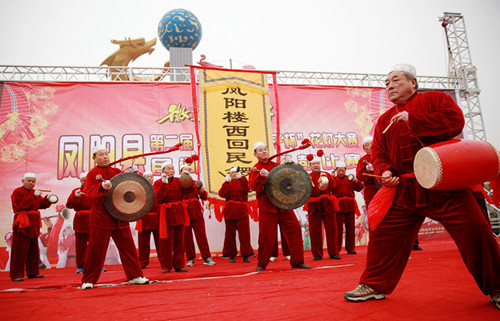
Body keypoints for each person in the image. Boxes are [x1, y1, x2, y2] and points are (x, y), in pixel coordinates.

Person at [344, 64, 500, 310]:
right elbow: (379, 152)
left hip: (444, 186)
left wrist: (414, 119)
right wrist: (385, 171)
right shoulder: (384, 119)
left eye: (395, 80)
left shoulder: (435, 100)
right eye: (386, 83)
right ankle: (374, 285)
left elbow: (455, 122)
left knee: (477, 231)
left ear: (413, 83)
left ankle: (498, 287)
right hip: (404, 189)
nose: (390, 86)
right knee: (383, 233)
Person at [81, 145, 148, 289]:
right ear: (94, 158)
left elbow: (130, 188)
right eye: (101, 154)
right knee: (95, 249)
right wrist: (101, 187)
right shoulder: (92, 174)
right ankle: (89, 280)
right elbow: (89, 192)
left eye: (106, 154)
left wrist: (134, 175)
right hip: (101, 217)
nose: (105, 157)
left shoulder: (116, 171)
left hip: (119, 215)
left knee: (128, 248)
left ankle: (135, 276)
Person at [249, 142, 311, 271]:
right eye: (260, 150)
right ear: (255, 154)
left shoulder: (276, 165)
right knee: (266, 236)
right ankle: (262, 264)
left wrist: (290, 165)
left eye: (265, 149)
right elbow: (253, 187)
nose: (264, 152)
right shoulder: (255, 169)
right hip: (267, 206)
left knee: (295, 229)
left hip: (283, 204)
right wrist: (261, 177)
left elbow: (289, 179)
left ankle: (297, 261)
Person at [9, 173, 55, 281]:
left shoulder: (35, 192)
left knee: (33, 249)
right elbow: (20, 205)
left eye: (33, 181)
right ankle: (17, 274)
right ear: (23, 181)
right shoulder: (17, 192)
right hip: (22, 223)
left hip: (33, 223)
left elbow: (41, 205)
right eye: (28, 181)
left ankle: (33, 272)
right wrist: (34, 196)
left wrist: (49, 200)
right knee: (19, 250)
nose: (31, 183)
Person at [154, 163, 188, 273]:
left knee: (180, 241)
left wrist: (187, 178)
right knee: (165, 243)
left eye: (172, 168)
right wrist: (164, 184)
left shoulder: (179, 181)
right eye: (168, 168)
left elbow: (189, 191)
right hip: (166, 214)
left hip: (178, 212)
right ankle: (166, 266)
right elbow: (158, 198)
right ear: (163, 171)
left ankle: (179, 265)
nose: (171, 170)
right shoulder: (158, 183)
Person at [305, 156, 340, 260]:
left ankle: (333, 253)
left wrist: (328, 179)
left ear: (320, 165)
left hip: (327, 204)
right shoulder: (307, 176)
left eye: (317, 163)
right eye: (313, 164)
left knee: (332, 229)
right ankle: (317, 254)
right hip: (313, 205)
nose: (316, 165)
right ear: (310, 166)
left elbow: (334, 186)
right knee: (315, 231)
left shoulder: (326, 174)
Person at [181, 165, 216, 266]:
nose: (186, 171)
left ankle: (207, 257)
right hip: (185, 213)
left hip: (196, 211)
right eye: (184, 170)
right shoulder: (179, 184)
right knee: (187, 237)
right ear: (181, 172)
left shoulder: (196, 183)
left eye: (188, 169)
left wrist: (203, 190)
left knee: (201, 235)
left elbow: (204, 198)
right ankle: (190, 259)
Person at [218, 167, 252, 263]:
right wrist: (225, 183)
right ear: (229, 174)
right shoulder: (227, 184)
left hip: (242, 209)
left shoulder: (242, 182)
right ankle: (232, 255)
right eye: (231, 173)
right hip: (230, 211)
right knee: (230, 234)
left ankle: (246, 255)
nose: (233, 174)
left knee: (245, 234)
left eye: (235, 173)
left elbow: (247, 189)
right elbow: (222, 194)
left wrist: (243, 179)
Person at [333, 162, 364, 255]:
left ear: (345, 171)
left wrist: (357, 182)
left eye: (343, 170)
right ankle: (336, 248)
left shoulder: (350, 179)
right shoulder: (333, 180)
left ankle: (350, 248)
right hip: (338, 206)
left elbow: (359, 188)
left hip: (349, 205)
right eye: (339, 170)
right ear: (336, 171)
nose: (341, 172)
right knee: (338, 228)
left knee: (350, 228)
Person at [135, 171, 163, 269]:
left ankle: (163, 261)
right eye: (147, 177)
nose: (149, 178)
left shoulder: (158, 188)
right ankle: (143, 262)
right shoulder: (139, 189)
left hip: (156, 218)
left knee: (160, 242)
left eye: (151, 177)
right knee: (143, 243)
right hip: (144, 218)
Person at [65, 172, 92, 273]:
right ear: (81, 181)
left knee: (95, 244)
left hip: (94, 219)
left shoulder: (95, 190)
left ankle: (96, 265)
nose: (86, 181)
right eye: (83, 180)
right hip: (81, 220)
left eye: (87, 179)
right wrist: (75, 197)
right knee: (81, 245)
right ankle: (81, 266)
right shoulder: (75, 191)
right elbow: (69, 205)